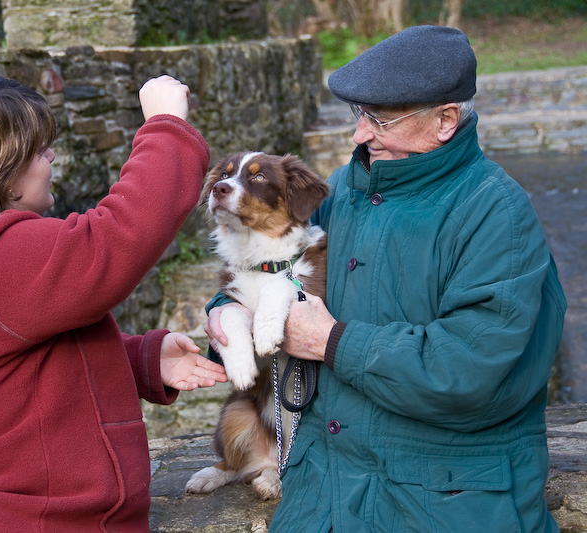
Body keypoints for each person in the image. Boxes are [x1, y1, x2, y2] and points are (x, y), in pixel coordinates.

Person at [206, 25, 566, 531]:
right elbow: (267, 269)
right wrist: (223, 311)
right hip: (323, 495)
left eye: (380, 119)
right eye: (359, 114)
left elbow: (468, 369)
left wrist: (332, 342)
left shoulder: (496, 215)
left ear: (445, 120)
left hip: (448, 504)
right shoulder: (344, 192)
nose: (360, 134)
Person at [0, 72, 227, 533]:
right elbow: (118, 237)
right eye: (39, 150)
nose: (51, 156)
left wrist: (138, 359)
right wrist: (165, 127)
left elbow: (1, 374)